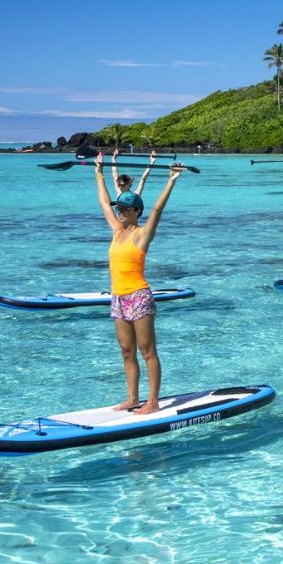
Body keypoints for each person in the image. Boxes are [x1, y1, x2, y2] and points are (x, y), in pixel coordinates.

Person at [94, 152, 186, 415]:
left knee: (147, 351)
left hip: (138, 296)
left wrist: (172, 179)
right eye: (119, 208)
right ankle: (132, 398)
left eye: (125, 208)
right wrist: (98, 172)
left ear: (136, 212)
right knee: (126, 351)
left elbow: (157, 209)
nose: (120, 211)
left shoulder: (141, 235)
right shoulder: (116, 231)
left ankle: (153, 401)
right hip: (118, 298)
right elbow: (103, 202)